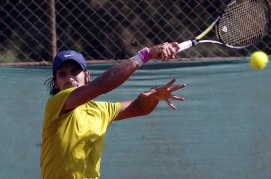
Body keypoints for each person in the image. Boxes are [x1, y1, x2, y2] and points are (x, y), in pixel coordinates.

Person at [40, 42, 186, 179]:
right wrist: (145, 56)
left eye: (75, 71)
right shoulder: (56, 103)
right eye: (62, 74)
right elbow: (101, 85)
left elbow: (139, 107)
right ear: (56, 84)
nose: (69, 78)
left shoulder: (101, 111)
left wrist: (154, 95)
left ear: (87, 76)